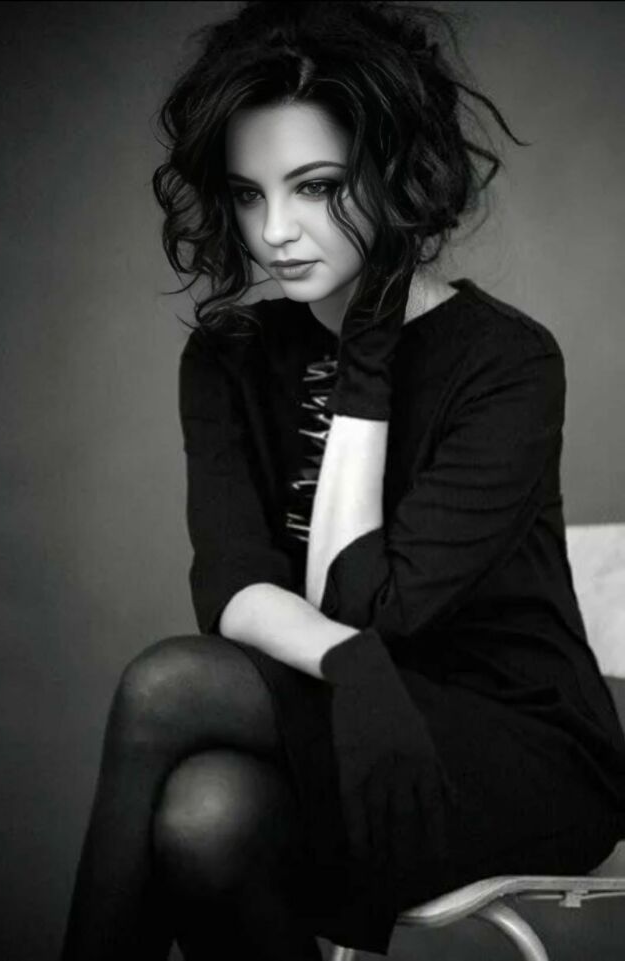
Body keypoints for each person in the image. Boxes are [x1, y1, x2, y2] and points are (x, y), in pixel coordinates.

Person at [60, 2, 625, 959]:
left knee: (168, 687)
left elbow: (374, 611)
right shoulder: (229, 358)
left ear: (394, 174)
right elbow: (234, 589)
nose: (275, 231)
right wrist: (345, 664)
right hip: (339, 710)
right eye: (248, 195)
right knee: (206, 813)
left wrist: (367, 358)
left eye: (316, 187)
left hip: (516, 744)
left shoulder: (508, 363)